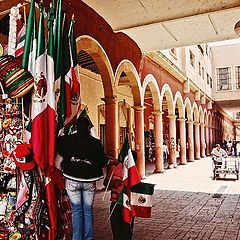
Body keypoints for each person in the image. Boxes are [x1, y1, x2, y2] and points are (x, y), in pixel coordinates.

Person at [56, 116, 108, 240]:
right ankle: (88, 238)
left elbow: (57, 145)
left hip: (72, 179)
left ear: (76, 127)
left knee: (77, 212)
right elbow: (103, 161)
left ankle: (77, 238)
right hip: (89, 181)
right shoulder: (95, 143)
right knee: (88, 211)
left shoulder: (68, 140)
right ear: (89, 128)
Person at [104, 151, 136, 240]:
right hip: (115, 203)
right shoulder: (115, 167)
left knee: (127, 230)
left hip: (128, 204)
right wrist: (113, 183)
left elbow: (136, 189)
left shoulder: (133, 171)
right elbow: (105, 183)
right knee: (116, 230)